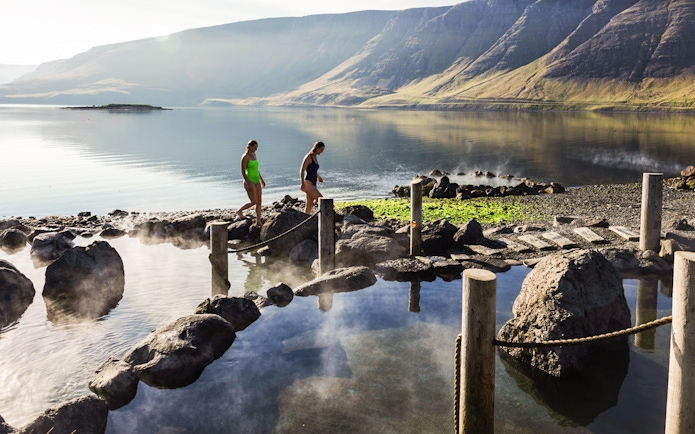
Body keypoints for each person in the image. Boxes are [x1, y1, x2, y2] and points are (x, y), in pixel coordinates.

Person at [236, 139, 265, 226]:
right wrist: (248, 183)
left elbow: (256, 169)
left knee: (259, 201)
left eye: (257, 147)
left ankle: (258, 221)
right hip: (249, 180)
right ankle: (239, 211)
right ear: (250, 146)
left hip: (256, 180)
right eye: (255, 147)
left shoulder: (254, 155)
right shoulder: (245, 157)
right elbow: (243, 172)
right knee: (254, 201)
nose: (256, 149)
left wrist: (261, 179)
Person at [300, 141, 325, 214]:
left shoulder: (315, 157)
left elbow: (313, 170)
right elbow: (302, 171)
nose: (321, 152)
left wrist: (318, 177)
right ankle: (326, 219)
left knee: (309, 205)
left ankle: (305, 220)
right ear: (317, 148)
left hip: (313, 183)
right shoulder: (308, 157)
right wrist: (302, 184)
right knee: (322, 200)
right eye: (321, 150)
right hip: (308, 183)